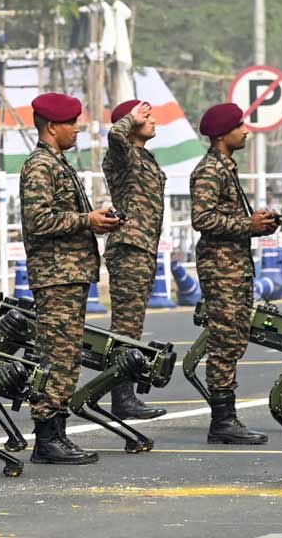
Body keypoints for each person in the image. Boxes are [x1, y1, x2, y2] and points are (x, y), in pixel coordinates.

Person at [21, 92, 120, 465]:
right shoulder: (40, 166)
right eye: (71, 123)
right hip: (55, 276)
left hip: (69, 274)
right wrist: (86, 220)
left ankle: (57, 432)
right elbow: (39, 220)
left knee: (66, 356)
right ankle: (47, 436)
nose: (76, 129)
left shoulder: (58, 163)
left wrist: (95, 219)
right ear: (51, 127)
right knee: (56, 357)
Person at [191, 102, 281, 445]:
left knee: (234, 339)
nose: (246, 130)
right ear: (222, 134)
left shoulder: (226, 168)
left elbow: (223, 218)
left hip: (234, 266)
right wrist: (247, 223)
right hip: (221, 269)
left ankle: (226, 418)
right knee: (224, 342)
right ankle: (223, 421)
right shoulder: (210, 170)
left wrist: (257, 224)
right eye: (239, 125)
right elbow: (202, 219)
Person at [102, 100, 167, 420]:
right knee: (126, 326)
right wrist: (129, 118)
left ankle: (123, 394)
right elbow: (115, 136)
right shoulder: (122, 152)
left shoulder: (144, 157)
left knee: (132, 325)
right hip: (129, 247)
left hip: (143, 248)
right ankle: (122, 397)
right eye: (146, 117)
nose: (153, 121)